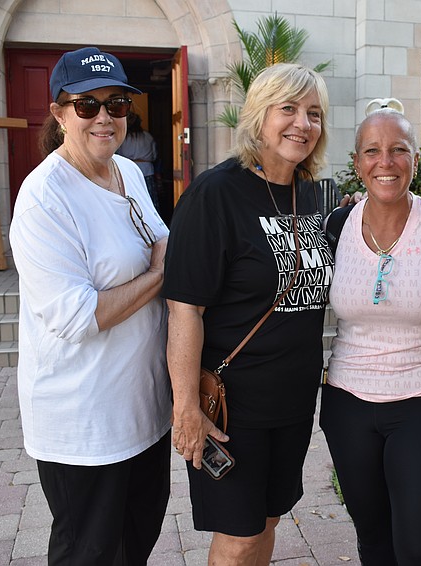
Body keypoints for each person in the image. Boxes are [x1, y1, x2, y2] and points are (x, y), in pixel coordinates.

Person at [162, 63, 334, 565]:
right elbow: (184, 309)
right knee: (237, 539)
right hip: (233, 405)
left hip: (295, 399)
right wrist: (185, 406)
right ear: (258, 116)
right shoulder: (215, 194)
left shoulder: (314, 194)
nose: (302, 123)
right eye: (288, 109)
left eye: (314, 113)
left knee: (268, 522)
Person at [9, 46, 171, 565]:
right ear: (58, 114)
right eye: (87, 105)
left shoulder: (126, 171)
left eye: (117, 104)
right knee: (90, 553)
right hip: (84, 423)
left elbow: (161, 238)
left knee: (137, 542)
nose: (105, 116)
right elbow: (78, 316)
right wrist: (159, 276)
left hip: (143, 412)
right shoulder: (43, 199)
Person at [320, 107, 421, 566]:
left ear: (416, 160)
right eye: (373, 151)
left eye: (398, 150)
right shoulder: (335, 226)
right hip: (347, 401)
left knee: (417, 549)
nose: (385, 162)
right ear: (357, 161)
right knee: (374, 542)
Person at [116, 111, 161, 212]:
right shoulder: (147, 136)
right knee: (149, 198)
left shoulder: (123, 138)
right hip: (146, 170)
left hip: (128, 171)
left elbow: (117, 154)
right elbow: (154, 155)